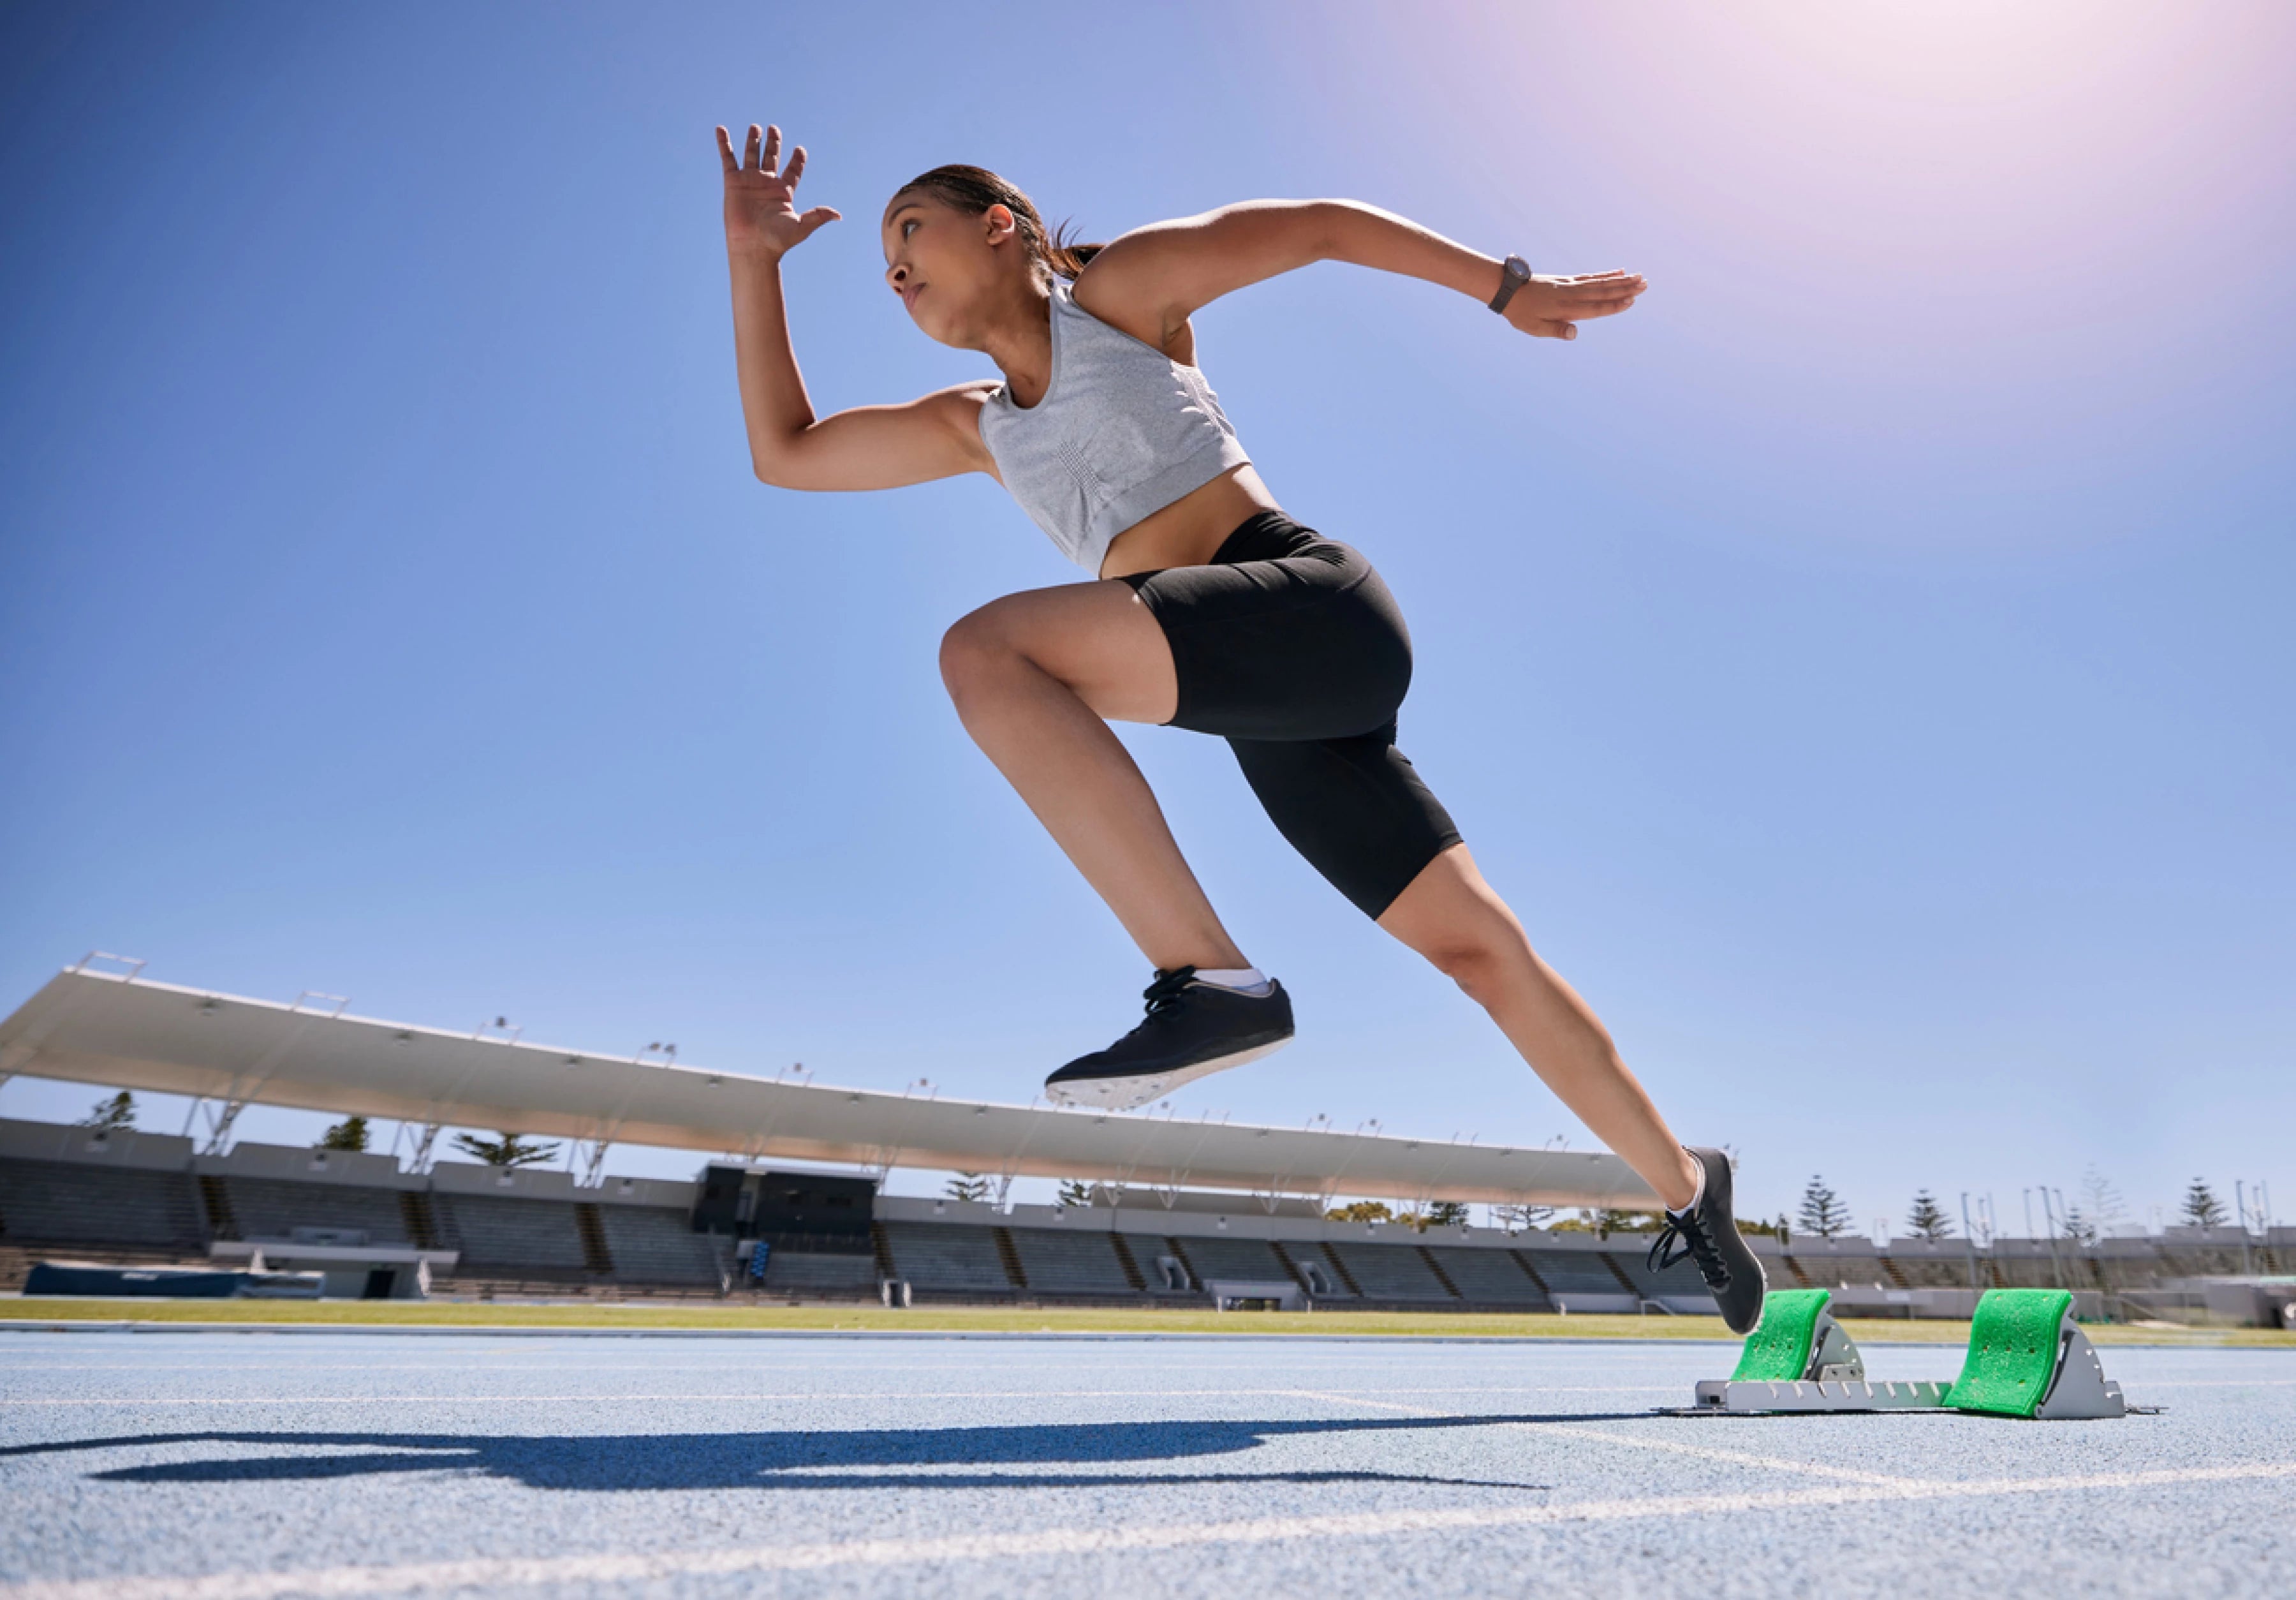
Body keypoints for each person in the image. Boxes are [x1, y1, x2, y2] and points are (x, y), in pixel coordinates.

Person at [714, 122, 1765, 1331]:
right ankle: (1691, 1187)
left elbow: (1320, 228)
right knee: (1483, 953)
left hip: (1309, 606)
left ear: (1001, 225)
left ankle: (1207, 978)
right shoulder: (974, 425)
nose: (893, 267)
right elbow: (784, 455)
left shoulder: (1118, 298)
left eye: (910, 231)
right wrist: (756, 261)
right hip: (1269, 704)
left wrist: (1509, 289)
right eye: (883, 264)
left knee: (987, 652)